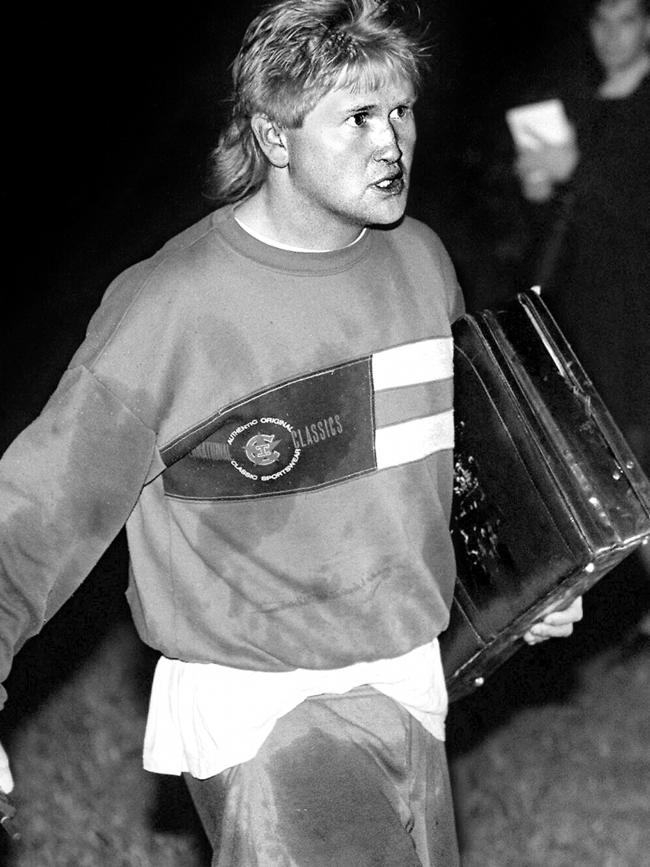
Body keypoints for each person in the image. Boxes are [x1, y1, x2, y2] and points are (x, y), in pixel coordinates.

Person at [0, 2, 583, 863]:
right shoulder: (174, 306)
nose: (392, 143)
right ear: (275, 138)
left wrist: (524, 577)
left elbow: (445, 468)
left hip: (409, 684)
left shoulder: (422, 263)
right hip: (268, 716)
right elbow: (37, 513)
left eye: (402, 110)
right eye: (357, 117)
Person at [513, 0, 650, 648]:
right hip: (590, 315)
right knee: (618, 465)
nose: (611, 36)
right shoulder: (584, 102)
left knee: (632, 461)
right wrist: (542, 189)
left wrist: (580, 177)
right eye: (600, 21)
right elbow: (568, 228)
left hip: (639, 316)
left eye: (626, 19)